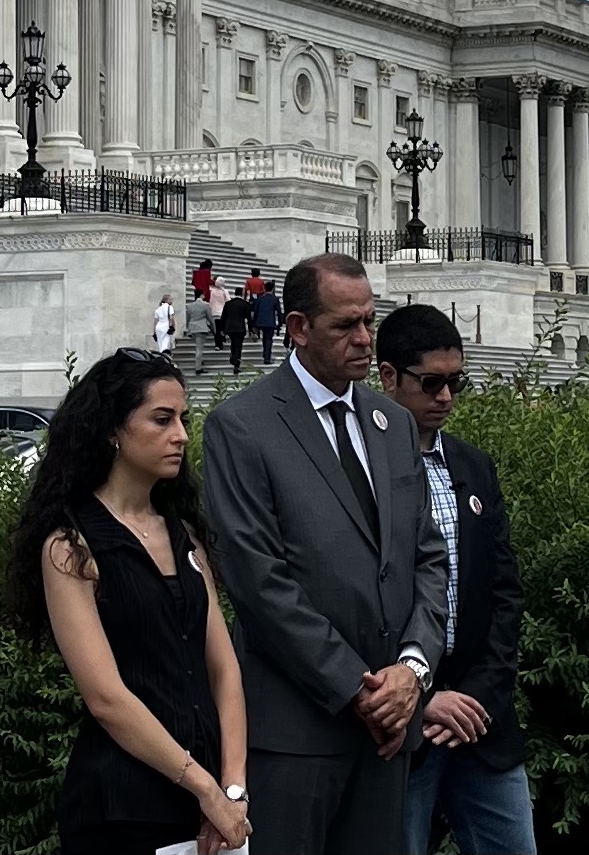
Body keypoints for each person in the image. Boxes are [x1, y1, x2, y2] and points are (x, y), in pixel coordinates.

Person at [203, 253, 450, 855]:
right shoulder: (241, 426)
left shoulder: (392, 423)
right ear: (297, 328)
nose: (366, 339)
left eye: (370, 320)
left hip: (389, 733)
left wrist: (412, 674)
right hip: (296, 736)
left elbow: (427, 560)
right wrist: (358, 689)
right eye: (346, 326)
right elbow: (258, 581)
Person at [1, 349, 252, 855]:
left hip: (211, 806)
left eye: (183, 418)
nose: (181, 434)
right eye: (162, 419)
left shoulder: (184, 535)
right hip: (122, 806)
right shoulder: (70, 547)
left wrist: (233, 789)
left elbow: (224, 669)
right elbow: (106, 697)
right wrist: (205, 788)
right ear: (112, 429)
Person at [377, 305, 535, 855]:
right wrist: (423, 701)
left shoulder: (472, 465)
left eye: (456, 383)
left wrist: (476, 695)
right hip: (398, 723)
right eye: (432, 383)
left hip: (479, 718)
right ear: (389, 377)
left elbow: (504, 592)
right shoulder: (361, 473)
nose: (445, 397)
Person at [221, 288, 252, 376]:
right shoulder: (245, 304)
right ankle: (236, 364)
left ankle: (233, 355)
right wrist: (251, 330)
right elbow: (249, 318)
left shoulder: (228, 304)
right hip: (239, 327)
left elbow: (223, 317)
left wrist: (222, 329)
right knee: (238, 345)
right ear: (242, 293)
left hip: (230, 327)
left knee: (233, 343)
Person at [252, 281, 283, 366]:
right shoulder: (275, 299)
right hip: (270, 322)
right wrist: (280, 323)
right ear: (272, 289)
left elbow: (256, 311)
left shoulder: (260, 299)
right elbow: (279, 312)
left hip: (261, 321)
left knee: (264, 338)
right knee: (269, 339)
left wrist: (254, 323)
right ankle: (267, 357)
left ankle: (265, 352)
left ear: (264, 288)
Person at [187, 294, 217, 375]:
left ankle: (199, 361)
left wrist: (188, 328)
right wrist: (214, 328)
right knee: (199, 348)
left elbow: (188, 318)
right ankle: (198, 367)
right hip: (201, 327)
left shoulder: (190, 306)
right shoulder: (205, 305)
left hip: (192, 327)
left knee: (197, 347)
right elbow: (210, 318)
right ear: (201, 295)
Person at [209, 277, 231, 350]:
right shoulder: (225, 291)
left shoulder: (213, 291)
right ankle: (223, 339)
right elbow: (228, 301)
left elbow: (211, 302)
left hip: (215, 312)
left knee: (217, 330)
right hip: (222, 312)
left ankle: (218, 344)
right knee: (222, 328)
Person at [154, 294, 177, 359]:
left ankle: (161, 355)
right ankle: (165, 357)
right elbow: (171, 318)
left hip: (159, 327)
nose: (171, 301)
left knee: (160, 344)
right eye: (170, 299)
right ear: (166, 300)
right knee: (166, 343)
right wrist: (173, 326)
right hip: (166, 326)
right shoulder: (170, 307)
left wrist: (154, 331)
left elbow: (155, 321)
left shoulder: (158, 309)